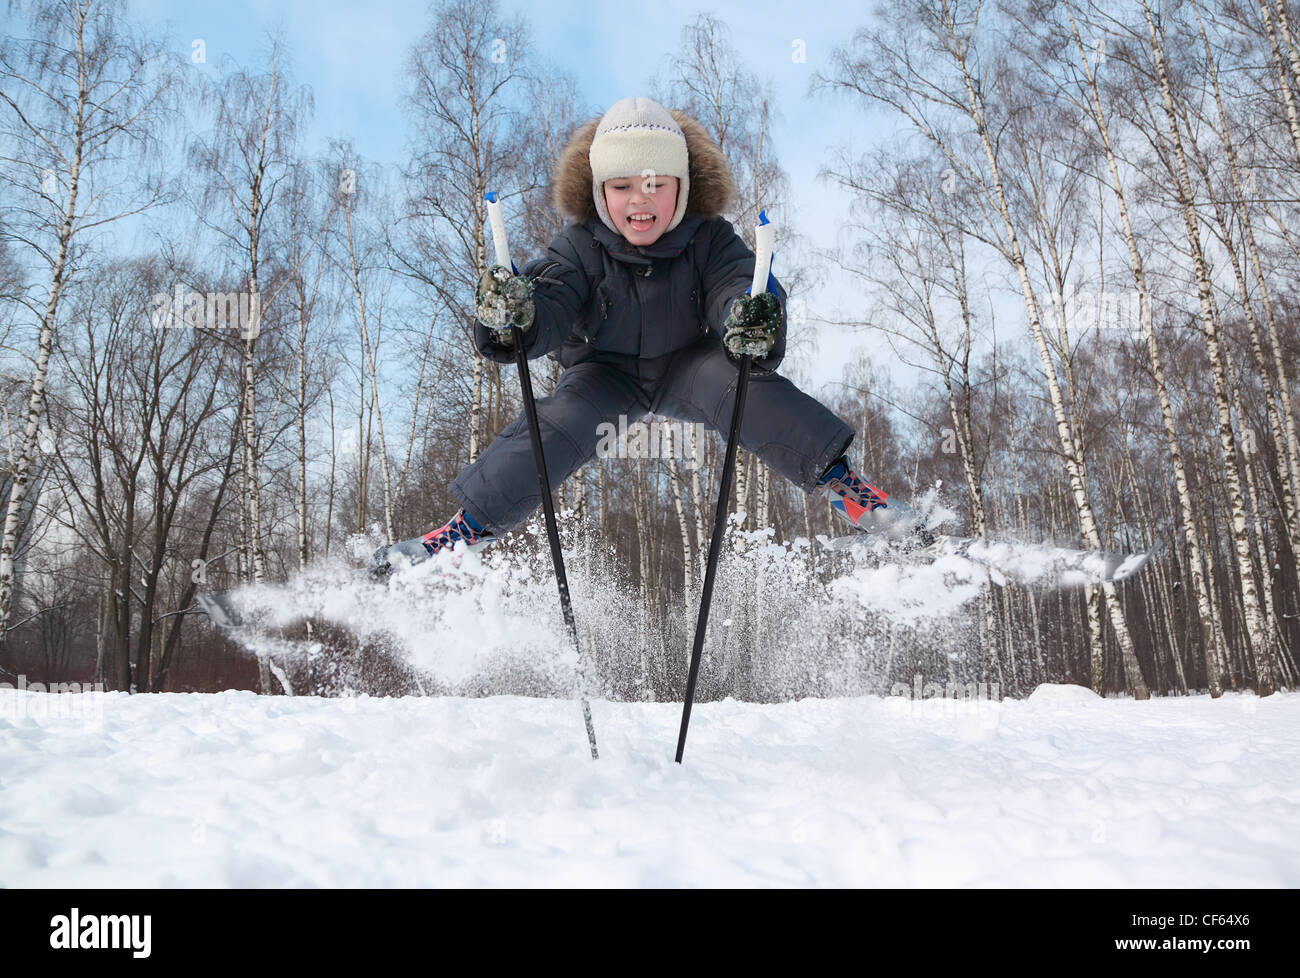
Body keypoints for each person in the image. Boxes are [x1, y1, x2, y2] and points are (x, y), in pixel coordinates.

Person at [374, 96, 925, 576]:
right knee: (557, 425)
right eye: (623, 186)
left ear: (682, 189)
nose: (642, 200)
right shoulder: (580, 247)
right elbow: (552, 302)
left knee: (745, 390)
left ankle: (848, 492)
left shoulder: (708, 238)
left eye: (658, 185)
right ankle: (461, 531)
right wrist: (514, 316)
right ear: (599, 192)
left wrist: (751, 316)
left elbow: (738, 283)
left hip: (689, 364)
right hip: (604, 373)